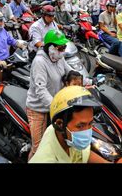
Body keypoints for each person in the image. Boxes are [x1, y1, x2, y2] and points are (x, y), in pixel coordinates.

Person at [30, 86, 122, 163]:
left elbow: (84, 154)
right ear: (60, 124)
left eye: (90, 123)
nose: (86, 131)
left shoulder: (65, 135)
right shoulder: (46, 160)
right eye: (80, 126)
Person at [26, 30, 72, 160]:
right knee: (39, 149)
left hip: (56, 107)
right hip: (39, 108)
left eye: (64, 47)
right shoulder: (40, 62)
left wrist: (87, 81)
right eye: (60, 48)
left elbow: (71, 72)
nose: (63, 50)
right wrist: (56, 107)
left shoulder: (58, 58)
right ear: (50, 47)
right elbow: (41, 90)